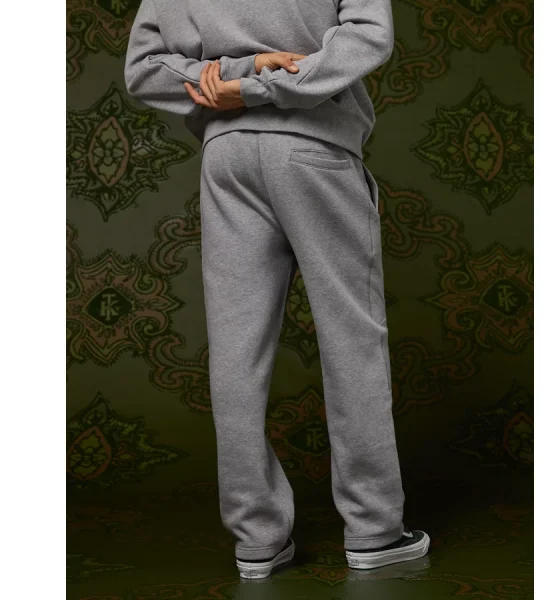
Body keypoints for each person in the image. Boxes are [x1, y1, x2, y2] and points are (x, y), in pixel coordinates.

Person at [124, 0, 430, 580]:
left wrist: (232, 79)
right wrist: (261, 82)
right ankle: (374, 529)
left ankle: (257, 538)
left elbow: (143, 69)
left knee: (237, 349)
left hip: (227, 156)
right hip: (314, 147)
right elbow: (368, 35)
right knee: (351, 339)